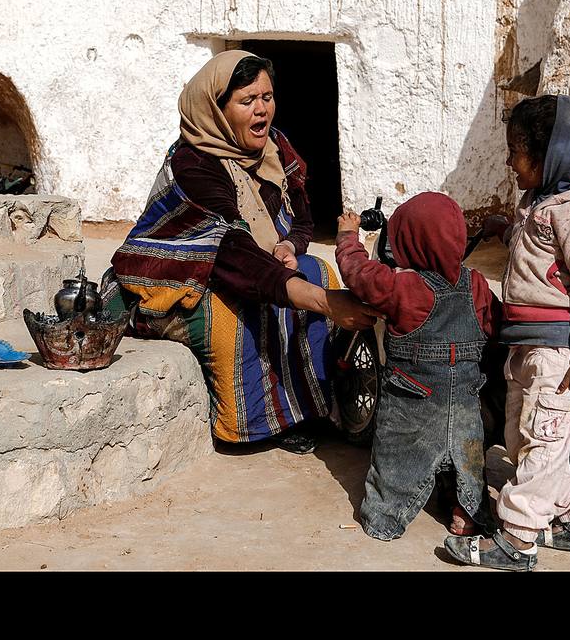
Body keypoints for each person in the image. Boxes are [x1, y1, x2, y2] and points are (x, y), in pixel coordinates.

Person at [101, 51, 378, 454]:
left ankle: (312, 407)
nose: (262, 109)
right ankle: (256, 426)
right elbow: (230, 254)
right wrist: (324, 302)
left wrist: (287, 246)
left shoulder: (276, 147)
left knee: (317, 270)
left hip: (255, 261)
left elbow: (302, 218)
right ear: (217, 108)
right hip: (183, 276)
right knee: (240, 313)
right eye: (247, 101)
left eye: (267, 97)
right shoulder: (194, 164)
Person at [445, 94, 570, 572]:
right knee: (531, 441)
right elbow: (538, 253)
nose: (509, 161)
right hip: (526, 346)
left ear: (549, 156)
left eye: (516, 151)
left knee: (542, 444)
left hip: (557, 355)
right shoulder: (541, 202)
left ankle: (517, 541)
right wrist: (505, 230)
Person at [335, 192, 502, 540]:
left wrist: (348, 236)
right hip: (466, 399)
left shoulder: (404, 287)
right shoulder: (476, 283)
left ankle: (384, 519)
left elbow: (359, 274)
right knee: (467, 462)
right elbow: (494, 324)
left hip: (412, 405)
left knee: (395, 461)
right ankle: (466, 511)